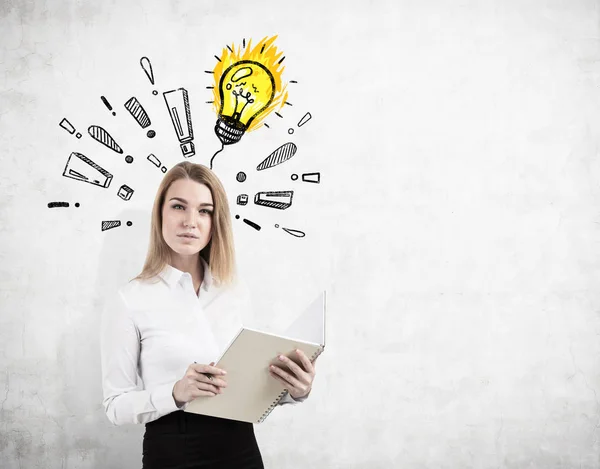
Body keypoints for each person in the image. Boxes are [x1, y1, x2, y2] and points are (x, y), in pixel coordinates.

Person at [100, 161, 317, 468]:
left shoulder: (234, 291)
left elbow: (249, 385)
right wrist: (176, 393)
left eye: (204, 211)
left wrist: (294, 389)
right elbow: (115, 406)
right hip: (174, 451)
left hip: (240, 448)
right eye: (179, 206)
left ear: (216, 222)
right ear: (160, 213)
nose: (191, 221)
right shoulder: (129, 300)